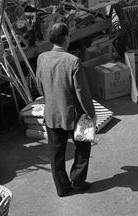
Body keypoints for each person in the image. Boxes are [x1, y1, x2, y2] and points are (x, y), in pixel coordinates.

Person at [36, 23, 96, 197]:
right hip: (75, 115)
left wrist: (50, 99)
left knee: (56, 153)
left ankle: (62, 188)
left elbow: (39, 85)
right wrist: (91, 114)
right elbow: (82, 92)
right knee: (83, 148)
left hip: (52, 114)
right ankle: (77, 180)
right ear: (65, 38)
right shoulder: (73, 61)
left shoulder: (41, 58)